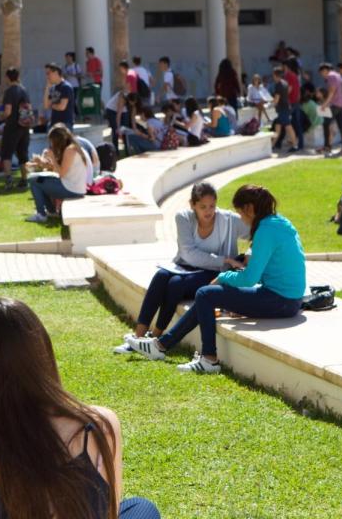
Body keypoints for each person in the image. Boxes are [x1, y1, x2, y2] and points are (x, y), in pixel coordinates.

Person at [0, 297, 161, 519]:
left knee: (139, 507)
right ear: (43, 352)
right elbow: (108, 512)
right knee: (141, 508)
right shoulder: (101, 422)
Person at [126, 184, 305, 374]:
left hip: (280, 301)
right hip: (287, 299)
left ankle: (207, 359)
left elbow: (250, 278)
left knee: (205, 293)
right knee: (206, 294)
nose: (242, 219)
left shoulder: (265, 231)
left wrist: (223, 277)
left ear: (249, 209)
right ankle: (160, 345)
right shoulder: (278, 223)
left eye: (241, 213)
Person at [114, 182, 248, 354]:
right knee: (161, 275)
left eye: (212, 206)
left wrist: (247, 257)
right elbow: (188, 254)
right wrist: (225, 259)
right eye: (202, 207)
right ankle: (138, 337)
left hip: (212, 273)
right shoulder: (183, 217)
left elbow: (259, 231)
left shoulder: (229, 220)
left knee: (175, 283)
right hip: (185, 267)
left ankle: (154, 337)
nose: (208, 211)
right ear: (192, 205)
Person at [25, 125, 90, 223]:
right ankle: (51, 211)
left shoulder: (70, 150)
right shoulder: (72, 147)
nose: (51, 144)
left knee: (33, 180)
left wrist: (52, 157)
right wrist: (44, 163)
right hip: (73, 187)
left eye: (52, 141)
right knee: (38, 179)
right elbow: (60, 170)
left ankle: (41, 214)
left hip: (71, 189)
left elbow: (62, 173)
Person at [0, 67, 31, 190]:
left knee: (6, 153)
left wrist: (1, 116)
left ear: (7, 77)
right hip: (24, 126)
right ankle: (24, 179)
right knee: (23, 154)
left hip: (12, 126)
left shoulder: (9, 92)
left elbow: (7, 111)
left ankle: (8, 180)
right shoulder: (24, 90)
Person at [317, 63, 342, 154]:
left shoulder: (331, 76)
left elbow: (332, 91)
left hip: (335, 104)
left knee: (326, 124)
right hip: (341, 104)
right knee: (341, 126)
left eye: (322, 73)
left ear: (324, 70)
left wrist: (325, 104)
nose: (322, 75)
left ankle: (327, 146)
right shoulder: (338, 75)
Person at [270, 67, 298, 153]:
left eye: (273, 75)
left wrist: (271, 105)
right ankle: (272, 146)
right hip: (285, 108)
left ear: (275, 75)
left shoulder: (278, 85)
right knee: (277, 127)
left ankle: (295, 145)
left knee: (288, 127)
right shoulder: (285, 83)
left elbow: (277, 98)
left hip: (282, 109)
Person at [44, 62, 75, 129]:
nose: (47, 76)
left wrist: (52, 105)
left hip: (65, 125)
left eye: (48, 73)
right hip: (54, 123)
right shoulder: (52, 88)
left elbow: (61, 107)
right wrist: (47, 88)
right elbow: (46, 106)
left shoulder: (66, 87)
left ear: (55, 73)